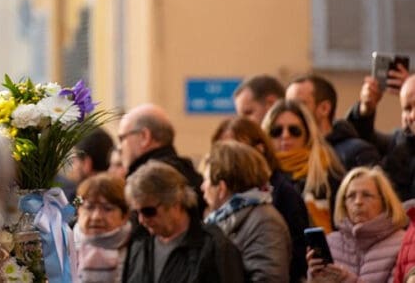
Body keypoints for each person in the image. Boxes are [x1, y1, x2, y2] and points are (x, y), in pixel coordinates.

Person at [212, 116, 310, 282]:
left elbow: (291, 261)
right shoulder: (224, 198)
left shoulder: (282, 194)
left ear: (259, 149)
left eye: (235, 147)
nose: (227, 156)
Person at [121, 160, 246, 283]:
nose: (141, 220)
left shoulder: (215, 249)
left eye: (148, 211)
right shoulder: (139, 244)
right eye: (136, 212)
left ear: (175, 204)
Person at [201, 140, 292, 283]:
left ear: (221, 188)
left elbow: (269, 278)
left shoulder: (265, 222)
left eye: (206, 180)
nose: (202, 187)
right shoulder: (223, 219)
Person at [307, 166, 407, 283]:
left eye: (367, 195)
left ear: (384, 201)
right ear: (343, 204)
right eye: (351, 196)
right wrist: (314, 276)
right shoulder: (331, 242)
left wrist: (346, 279)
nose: (358, 201)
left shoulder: (402, 243)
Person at [264, 99, 345, 232]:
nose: (285, 136)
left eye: (294, 130)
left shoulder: (328, 172)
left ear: (307, 134)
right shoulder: (260, 176)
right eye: (276, 131)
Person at [118, 104, 205, 216]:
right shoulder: (187, 170)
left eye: (122, 138)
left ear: (145, 136)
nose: (119, 147)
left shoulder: (149, 180)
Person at [345, 65, 415, 201]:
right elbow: (361, 142)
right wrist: (365, 110)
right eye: (407, 108)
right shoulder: (399, 144)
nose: (412, 115)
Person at [287, 74, 380, 172]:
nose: (289, 113)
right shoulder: (287, 154)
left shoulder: (358, 154)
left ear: (324, 108)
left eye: (299, 105)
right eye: (288, 106)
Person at [74, 173, 131, 283]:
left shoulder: (139, 247)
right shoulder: (62, 244)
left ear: (125, 216)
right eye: (89, 207)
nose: (96, 217)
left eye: (107, 209)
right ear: (78, 211)